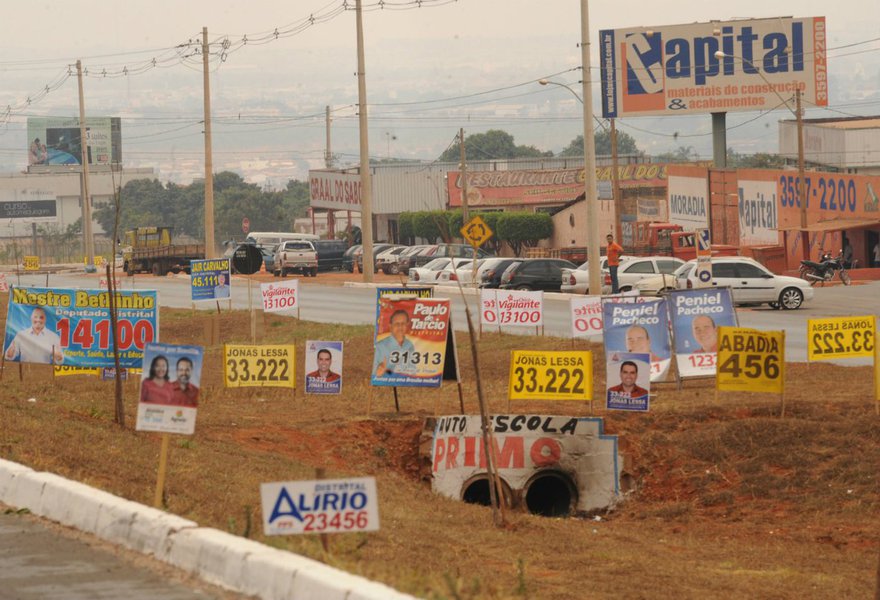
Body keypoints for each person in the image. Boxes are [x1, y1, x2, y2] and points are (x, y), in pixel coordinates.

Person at [373, 309, 417, 378]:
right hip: (386, 382)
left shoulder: (410, 345)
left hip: (405, 382)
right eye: (397, 324)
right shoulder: (380, 346)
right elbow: (374, 374)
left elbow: (413, 370)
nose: (400, 327)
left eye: (403, 323)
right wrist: (379, 372)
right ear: (390, 326)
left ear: (407, 326)